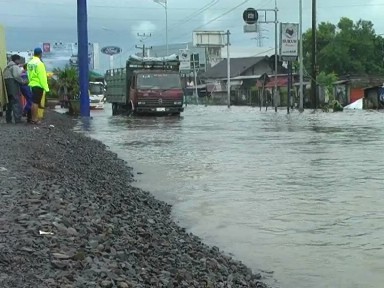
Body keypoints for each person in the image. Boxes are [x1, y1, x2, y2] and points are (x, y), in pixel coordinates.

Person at [27, 47, 49, 124]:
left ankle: (33, 118)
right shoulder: (40, 64)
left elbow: (28, 74)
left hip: (32, 84)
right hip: (38, 85)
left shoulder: (30, 63)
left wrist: (30, 82)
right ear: (40, 54)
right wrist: (46, 88)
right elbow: (42, 77)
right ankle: (35, 119)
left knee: (33, 102)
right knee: (35, 102)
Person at [3, 54, 25, 123]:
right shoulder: (14, 67)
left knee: (8, 103)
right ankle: (17, 119)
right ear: (16, 60)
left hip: (6, 86)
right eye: (19, 60)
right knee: (16, 102)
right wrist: (23, 82)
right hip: (13, 85)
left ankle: (8, 119)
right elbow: (17, 76)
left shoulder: (7, 67)